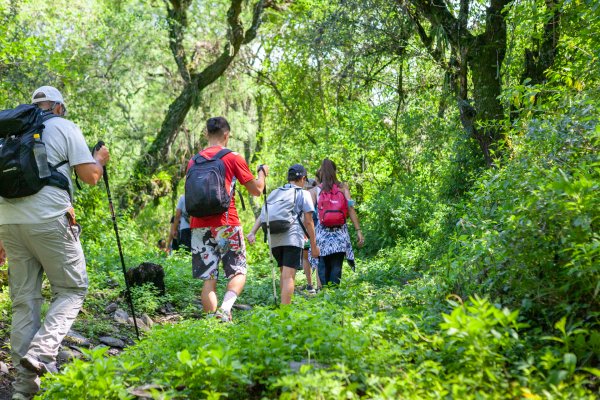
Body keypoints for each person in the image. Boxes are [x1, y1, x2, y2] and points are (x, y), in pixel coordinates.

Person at [0, 86, 110, 400]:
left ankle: (23, 391)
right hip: (49, 218)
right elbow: (89, 176)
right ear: (59, 107)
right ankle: (42, 351)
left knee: (24, 302)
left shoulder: (9, 132)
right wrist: (99, 159)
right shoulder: (63, 126)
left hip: (8, 220)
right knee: (73, 288)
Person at [188, 116, 267, 323]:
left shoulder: (193, 161)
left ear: (206, 134)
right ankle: (225, 309)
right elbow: (257, 190)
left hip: (198, 226)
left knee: (208, 278)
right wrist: (262, 174)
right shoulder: (233, 157)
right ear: (227, 135)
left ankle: (213, 327)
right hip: (227, 223)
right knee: (238, 271)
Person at [247, 164, 319, 304]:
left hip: (273, 238)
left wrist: (252, 232)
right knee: (288, 276)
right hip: (291, 237)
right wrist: (314, 245)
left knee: (284, 274)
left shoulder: (275, 192)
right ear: (303, 178)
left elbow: (263, 215)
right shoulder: (303, 193)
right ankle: (285, 313)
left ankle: (282, 307)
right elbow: (309, 222)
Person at [310, 159, 364, 287]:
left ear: (321, 173)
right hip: (340, 234)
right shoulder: (343, 188)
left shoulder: (315, 191)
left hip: (322, 235)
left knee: (323, 265)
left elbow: (308, 215)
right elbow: (350, 209)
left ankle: (325, 294)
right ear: (335, 171)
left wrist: (307, 234)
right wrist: (358, 231)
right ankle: (334, 293)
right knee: (336, 265)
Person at [302, 177, 320, 294]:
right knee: (317, 257)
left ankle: (310, 284)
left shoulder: (302, 196)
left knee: (305, 258)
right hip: (316, 231)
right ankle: (319, 285)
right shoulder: (318, 195)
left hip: (305, 232)